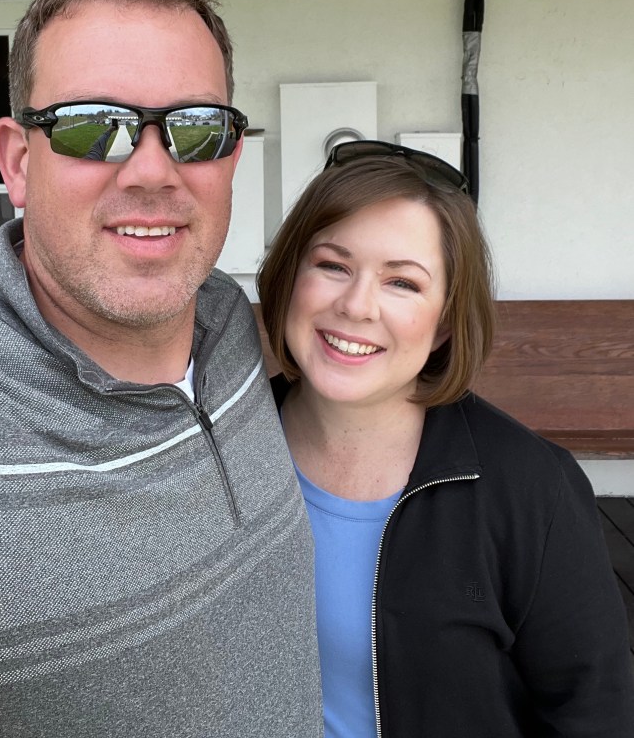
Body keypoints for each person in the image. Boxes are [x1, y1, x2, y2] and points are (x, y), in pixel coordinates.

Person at [0, 0, 323, 738]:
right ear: (17, 161)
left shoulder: (231, 320)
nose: (152, 170)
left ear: (231, 155)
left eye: (194, 128)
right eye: (92, 127)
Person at [258, 140, 634, 738]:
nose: (356, 306)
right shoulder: (219, 446)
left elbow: (593, 715)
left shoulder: (534, 489)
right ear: (289, 276)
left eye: (402, 283)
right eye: (333, 266)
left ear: (444, 323)